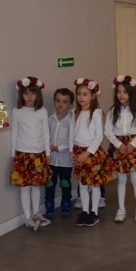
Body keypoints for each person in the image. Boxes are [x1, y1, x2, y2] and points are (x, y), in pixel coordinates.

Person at [105, 75, 136, 223]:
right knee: (121, 180)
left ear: (131, 93)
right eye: (119, 92)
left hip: (133, 148)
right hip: (119, 147)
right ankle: (121, 209)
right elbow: (108, 131)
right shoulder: (112, 111)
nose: (121, 95)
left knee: (135, 179)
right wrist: (119, 145)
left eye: (124, 92)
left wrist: (132, 144)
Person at [10, 76, 52, 230]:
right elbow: (14, 133)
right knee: (24, 187)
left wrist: (47, 152)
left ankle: (36, 213)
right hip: (22, 154)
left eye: (33, 93)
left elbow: (46, 133)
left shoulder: (42, 111)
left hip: (38, 154)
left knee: (36, 186)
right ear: (21, 94)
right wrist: (13, 154)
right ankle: (27, 217)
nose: (29, 97)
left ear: (37, 95)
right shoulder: (17, 111)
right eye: (26, 93)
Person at [70, 78, 110, 227]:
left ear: (92, 96)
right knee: (82, 184)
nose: (81, 97)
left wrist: (87, 153)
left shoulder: (96, 113)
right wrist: (71, 150)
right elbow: (71, 134)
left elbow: (99, 136)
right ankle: (85, 212)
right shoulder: (74, 114)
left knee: (94, 185)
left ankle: (94, 212)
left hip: (91, 153)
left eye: (85, 94)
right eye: (79, 94)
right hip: (78, 152)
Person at [46, 87, 75, 219]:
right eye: (58, 101)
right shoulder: (49, 119)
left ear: (70, 104)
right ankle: (49, 204)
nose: (60, 104)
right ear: (54, 102)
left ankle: (66, 203)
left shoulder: (71, 121)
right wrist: (48, 147)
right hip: (51, 159)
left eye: (64, 101)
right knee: (50, 183)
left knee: (65, 183)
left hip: (65, 160)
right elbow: (45, 136)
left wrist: (60, 147)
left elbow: (73, 139)